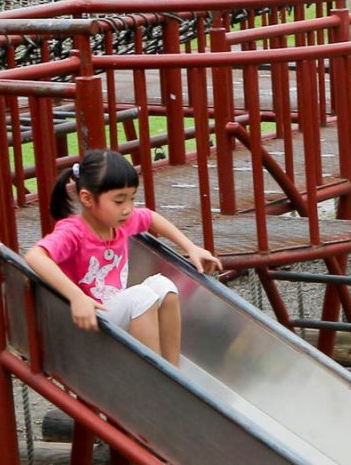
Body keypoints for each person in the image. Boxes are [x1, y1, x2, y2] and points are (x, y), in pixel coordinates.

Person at [26, 148, 218, 363]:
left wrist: (190, 247)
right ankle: (153, 377)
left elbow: (151, 217)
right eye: (119, 201)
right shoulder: (73, 232)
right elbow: (35, 256)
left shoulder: (121, 222)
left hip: (112, 314)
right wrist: (77, 297)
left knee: (165, 286)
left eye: (131, 199)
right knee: (141, 296)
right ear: (87, 199)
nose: (127, 209)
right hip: (86, 321)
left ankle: (173, 371)